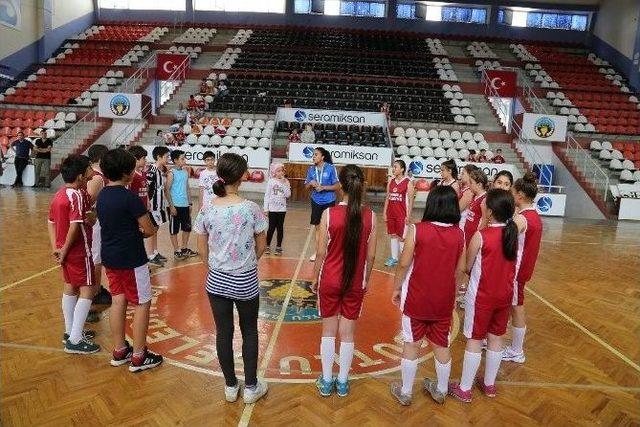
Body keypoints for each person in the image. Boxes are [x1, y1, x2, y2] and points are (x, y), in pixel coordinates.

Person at [194, 153, 269, 404]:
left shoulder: (208, 207)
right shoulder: (251, 208)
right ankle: (250, 387)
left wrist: (213, 265)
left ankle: (229, 386)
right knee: (249, 331)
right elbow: (262, 244)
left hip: (217, 279)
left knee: (223, 332)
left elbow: (201, 243)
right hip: (245, 279)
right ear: (242, 176)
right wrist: (247, 263)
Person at [390, 186, 465, 405]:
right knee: (442, 345)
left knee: (411, 344)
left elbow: (403, 263)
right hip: (443, 300)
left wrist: (396, 287)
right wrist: (452, 291)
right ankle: (441, 389)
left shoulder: (417, 229)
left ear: (431, 204)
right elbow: (460, 270)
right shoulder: (459, 234)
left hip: (416, 298)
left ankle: (405, 392)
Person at [449, 189, 521, 402]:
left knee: (474, 339)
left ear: (489, 212)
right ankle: (489, 384)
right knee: (495, 338)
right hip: (505, 296)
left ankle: (464, 388)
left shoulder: (481, 236)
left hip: (482, 297)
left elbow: (467, 266)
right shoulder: (512, 234)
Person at [311, 164, 377, 398]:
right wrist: (365, 280)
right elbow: (371, 255)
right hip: (354, 282)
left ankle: (326, 381)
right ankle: (342, 382)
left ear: (341, 185)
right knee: (347, 333)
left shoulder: (329, 214)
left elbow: (320, 253)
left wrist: (314, 278)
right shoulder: (371, 216)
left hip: (329, 278)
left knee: (328, 331)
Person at [97, 148, 162, 372]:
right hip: (131, 259)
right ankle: (138, 355)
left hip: (110, 257)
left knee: (118, 300)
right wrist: (143, 231)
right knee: (142, 303)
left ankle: (119, 350)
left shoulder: (103, 194)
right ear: (128, 173)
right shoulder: (130, 198)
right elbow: (149, 229)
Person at [48, 154, 100, 354]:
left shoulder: (60, 194)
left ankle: (70, 332)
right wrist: (66, 250)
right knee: (88, 289)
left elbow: (51, 222)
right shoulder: (76, 195)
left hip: (65, 251)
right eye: (88, 168)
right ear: (80, 176)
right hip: (78, 250)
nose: (92, 172)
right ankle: (75, 340)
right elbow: (74, 226)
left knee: (70, 287)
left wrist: (57, 248)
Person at [502, 172, 542, 364]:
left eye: (512, 191)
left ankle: (517, 350)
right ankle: (513, 348)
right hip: (523, 268)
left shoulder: (522, 220)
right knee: (514, 306)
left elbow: (503, 239)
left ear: (519, 196)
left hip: (517, 270)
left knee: (516, 308)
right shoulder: (533, 214)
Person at [86, 144, 112, 310]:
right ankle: (93, 294)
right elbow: (86, 203)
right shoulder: (97, 178)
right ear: (102, 159)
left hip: (99, 222)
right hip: (95, 224)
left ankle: (95, 289)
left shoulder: (99, 176)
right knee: (95, 258)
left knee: (98, 258)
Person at [304, 148, 340, 262]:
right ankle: (318, 252)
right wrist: (310, 183)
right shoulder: (311, 169)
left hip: (329, 200)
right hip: (316, 200)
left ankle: (329, 252)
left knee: (329, 227)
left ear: (322, 157)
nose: (313, 157)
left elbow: (338, 186)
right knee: (318, 228)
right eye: (313, 155)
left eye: (316, 155)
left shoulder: (330, 168)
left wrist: (323, 187)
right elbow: (306, 186)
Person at [166, 150, 198, 260]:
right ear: (175, 160)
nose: (184, 160)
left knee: (187, 228)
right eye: (182, 158)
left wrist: (190, 203)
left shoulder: (185, 172)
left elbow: (187, 188)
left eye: (184, 158)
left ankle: (184, 248)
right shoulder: (171, 173)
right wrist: (171, 206)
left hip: (185, 205)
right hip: (175, 205)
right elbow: (167, 190)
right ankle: (176, 250)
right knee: (174, 230)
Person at [383, 159, 414, 267]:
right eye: (393, 167)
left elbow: (411, 201)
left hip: (402, 215)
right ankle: (394, 258)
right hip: (391, 213)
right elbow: (387, 197)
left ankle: (406, 259)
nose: (393, 169)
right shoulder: (391, 181)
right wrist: (384, 212)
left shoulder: (408, 182)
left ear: (402, 169)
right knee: (393, 235)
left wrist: (408, 215)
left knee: (402, 237)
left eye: (395, 167)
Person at [146, 146, 170, 267]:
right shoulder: (152, 170)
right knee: (152, 229)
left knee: (156, 228)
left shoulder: (161, 171)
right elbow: (148, 188)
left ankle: (155, 252)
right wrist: (148, 202)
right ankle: (150, 255)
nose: (168, 158)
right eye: (166, 156)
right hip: (153, 206)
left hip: (160, 205)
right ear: (158, 157)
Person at [263, 163, 291, 255]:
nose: (280, 173)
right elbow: (267, 195)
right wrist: (265, 208)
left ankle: (278, 247)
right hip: (272, 209)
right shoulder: (271, 181)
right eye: (278, 171)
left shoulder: (286, 182)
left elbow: (288, 195)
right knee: (271, 227)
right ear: (274, 172)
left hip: (282, 209)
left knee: (280, 228)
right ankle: (267, 245)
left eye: (282, 171)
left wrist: (283, 183)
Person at [463, 169, 488, 246]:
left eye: (471, 182)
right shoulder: (474, 196)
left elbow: (485, 221)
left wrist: (476, 237)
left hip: (474, 236)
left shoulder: (484, 199)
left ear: (479, 185)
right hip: (467, 233)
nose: (469, 185)